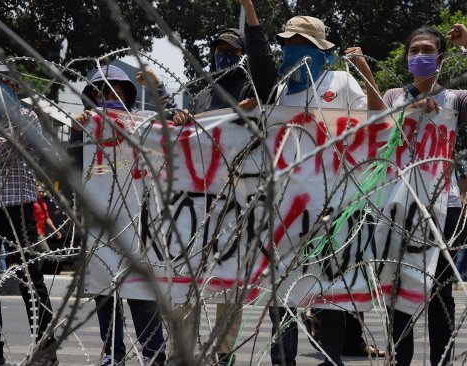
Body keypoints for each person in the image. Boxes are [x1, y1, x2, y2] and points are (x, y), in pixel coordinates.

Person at [269, 14, 383, 366]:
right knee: (283, 286)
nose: (292, 51)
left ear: (320, 51)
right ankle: (282, 358)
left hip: (338, 202)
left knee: (332, 284)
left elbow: (377, 115)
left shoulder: (342, 82)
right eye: (287, 44)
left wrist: (365, 71)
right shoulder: (279, 89)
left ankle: (330, 358)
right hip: (288, 204)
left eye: (300, 44)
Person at [381, 24, 467, 366]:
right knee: (399, 289)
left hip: (444, 206)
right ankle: (400, 360)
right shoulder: (392, 97)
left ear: (441, 58)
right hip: (399, 205)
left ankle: (440, 362)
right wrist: (412, 111)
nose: (420, 56)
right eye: (414, 50)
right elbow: (377, 132)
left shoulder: (454, 100)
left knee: (440, 293)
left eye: (427, 50)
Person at [177, 1, 277, 365]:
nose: (224, 57)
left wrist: (256, 108)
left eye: (232, 52)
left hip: (241, 196)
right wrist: (183, 116)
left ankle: (223, 354)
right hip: (198, 197)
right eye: (219, 51)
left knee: (230, 283)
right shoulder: (204, 93)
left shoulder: (255, 86)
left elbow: (265, 77)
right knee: (185, 280)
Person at [76, 64, 174, 366]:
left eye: (118, 91)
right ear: (93, 95)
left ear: (129, 95)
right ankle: (112, 354)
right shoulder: (82, 127)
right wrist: (77, 132)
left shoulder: (141, 123)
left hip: (138, 220)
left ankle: (154, 355)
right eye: (105, 92)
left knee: (142, 292)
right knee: (105, 293)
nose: (111, 97)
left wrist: (157, 88)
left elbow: (171, 120)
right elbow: (70, 170)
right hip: (100, 223)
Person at [0, 63, 60, 366]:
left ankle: (45, 350)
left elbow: (5, 150)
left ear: (15, 86)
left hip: (17, 206)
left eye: (5, 82)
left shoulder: (24, 115)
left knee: (31, 279)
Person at [33, 185, 62, 255]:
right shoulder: (31, 203)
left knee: (37, 254)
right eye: (39, 192)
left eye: (43, 192)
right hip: (35, 232)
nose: (42, 193)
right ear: (35, 191)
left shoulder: (43, 203)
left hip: (42, 233)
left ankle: (33, 266)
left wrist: (55, 230)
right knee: (46, 252)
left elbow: (47, 218)